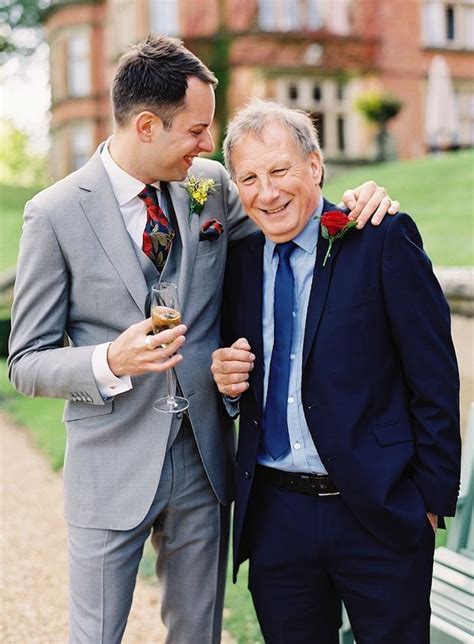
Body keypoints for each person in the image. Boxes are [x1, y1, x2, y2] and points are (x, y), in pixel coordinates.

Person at [8, 35, 398, 643]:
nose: (207, 144)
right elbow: (26, 363)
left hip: (205, 464)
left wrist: (358, 202)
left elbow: (292, 213)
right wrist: (110, 359)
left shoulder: (211, 185)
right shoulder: (54, 215)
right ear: (145, 125)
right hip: (111, 464)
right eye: (196, 129)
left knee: (197, 636)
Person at [211, 99, 461, 644]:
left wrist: (431, 505)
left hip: (381, 511)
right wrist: (226, 382)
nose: (267, 193)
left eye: (279, 170)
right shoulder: (239, 264)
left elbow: (435, 377)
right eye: (249, 178)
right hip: (277, 517)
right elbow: (241, 376)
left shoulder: (380, 237)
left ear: (315, 165)